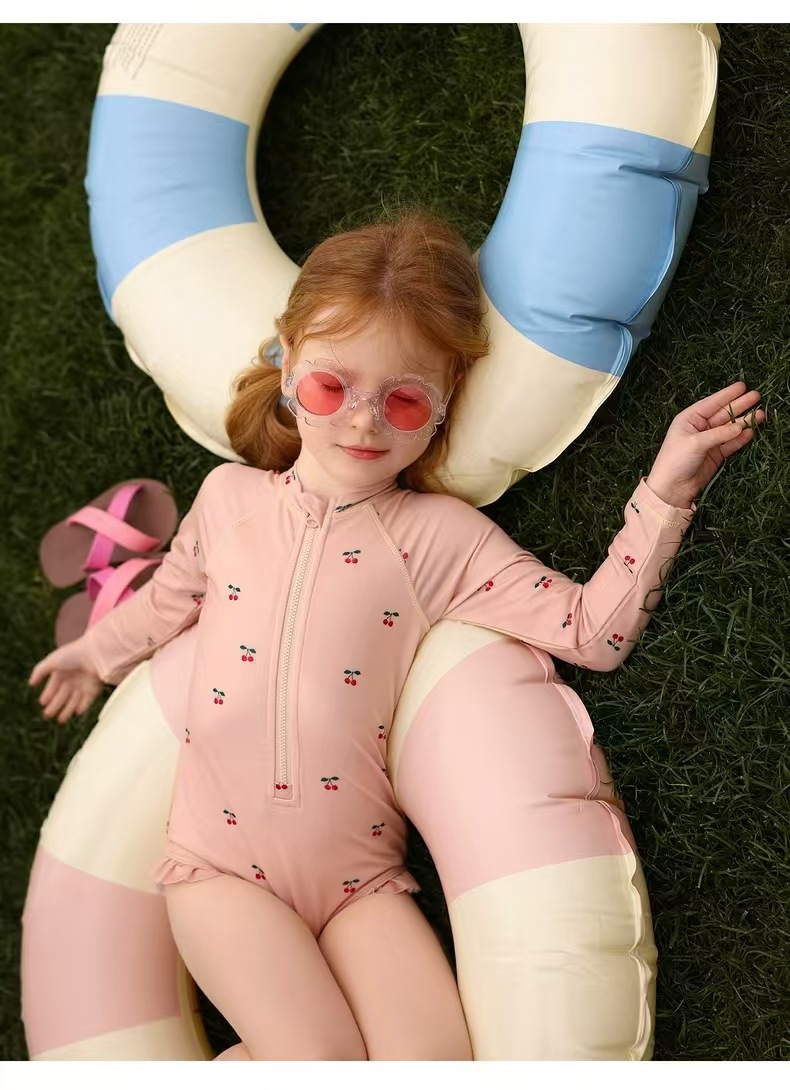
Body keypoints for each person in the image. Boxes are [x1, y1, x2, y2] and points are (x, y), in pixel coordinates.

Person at [28, 206, 765, 1061]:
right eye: (330, 388)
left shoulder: (442, 540)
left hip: (359, 887)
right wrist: (93, 654)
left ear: (443, 408)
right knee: (321, 1062)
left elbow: (590, 632)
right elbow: (169, 603)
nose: (362, 423)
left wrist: (667, 493)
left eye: (404, 400)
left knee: (435, 1065)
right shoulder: (229, 501)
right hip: (218, 872)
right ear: (285, 362)